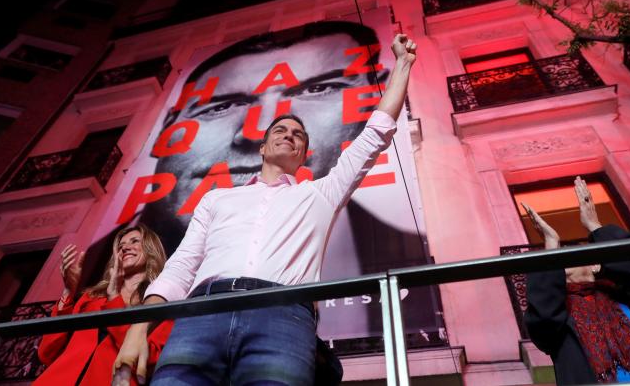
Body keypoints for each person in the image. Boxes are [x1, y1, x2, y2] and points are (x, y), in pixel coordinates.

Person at [111, 33, 416, 385]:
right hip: (202, 313)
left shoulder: (321, 194)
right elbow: (182, 267)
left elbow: (377, 132)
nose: (288, 134)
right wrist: (138, 330)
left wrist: (403, 64)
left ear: (304, 153)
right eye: (280, 130)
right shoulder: (217, 199)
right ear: (263, 146)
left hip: (282, 316)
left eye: (298, 134)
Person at [524, 176, 630, 384]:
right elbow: (543, 314)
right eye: (558, 257)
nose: (561, 259)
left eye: (567, 254)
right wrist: (551, 244)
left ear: (595, 265)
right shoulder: (559, 326)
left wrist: (595, 226)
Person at [34, 224, 173, 386]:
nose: (126, 247)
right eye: (121, 246)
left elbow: (150, 362)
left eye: (135, 241)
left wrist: (114, 298)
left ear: (151, 249)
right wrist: (68, 292)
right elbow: (46, 353)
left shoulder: (160, 304)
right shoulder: (92, 297)